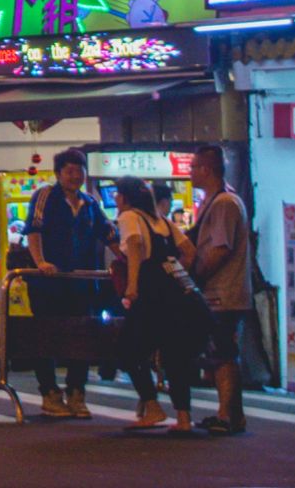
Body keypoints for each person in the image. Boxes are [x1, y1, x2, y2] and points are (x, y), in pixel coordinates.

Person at [23, 148, 117, 419]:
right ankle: (50, 394)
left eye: (79, 170)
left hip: (81, 283)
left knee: (82, 336)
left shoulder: (89, 203)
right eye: (69, 171)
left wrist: (126, 258)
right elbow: (34, 229)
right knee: (47, 336)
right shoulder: (45, 196)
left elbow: (108, 232)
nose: (75, 176)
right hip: (48, 283)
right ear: (58, 174)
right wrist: (40, 261)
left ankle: (77, 393)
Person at [113, 176, 205, 434]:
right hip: (176, 296)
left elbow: (134, 246)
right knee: (175, 354)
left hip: (150, 294)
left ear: (125, 197)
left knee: (128, 350)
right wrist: (173, 273)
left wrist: (132, 286)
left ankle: (152, 407)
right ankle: (184, 418)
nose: (115, 200)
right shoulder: (162, 221)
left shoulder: (129, 217)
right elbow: (190, 251)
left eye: (117, 195)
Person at [186, 144, 252, 434]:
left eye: (193, 167)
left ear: (206, 169)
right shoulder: (217, 200)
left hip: (223, 292)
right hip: (220, 292)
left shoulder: (224, 203)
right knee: (220, 353)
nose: (190, 172)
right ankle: (229, 413)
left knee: (224, 353)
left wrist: (196, 277)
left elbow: (220, 248)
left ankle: (229, 414)